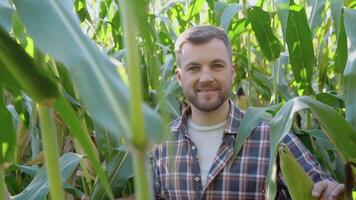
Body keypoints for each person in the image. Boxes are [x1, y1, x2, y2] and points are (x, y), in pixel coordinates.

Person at [151, 25, 345, 199]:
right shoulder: (162, 143)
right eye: (193, 68)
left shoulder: (273, 136)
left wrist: (328, 190)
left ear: (233, 71)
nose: (206, 78)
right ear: (179, 76)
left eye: (216, 66)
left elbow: (319, 188)